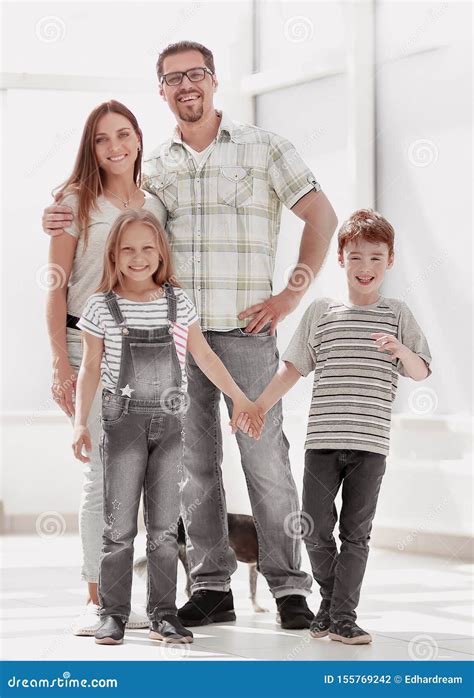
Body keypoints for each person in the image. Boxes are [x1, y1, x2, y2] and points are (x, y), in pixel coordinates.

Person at [42, 40, 339, 629]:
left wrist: (291, 294)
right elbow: (103, 213)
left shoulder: (264, 148)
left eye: (196, 75)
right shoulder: (155, 172)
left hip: (247, 337)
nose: (186, 86)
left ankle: (287, 588)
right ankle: (209, 585)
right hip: (175, 346)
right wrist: (52, 213)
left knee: (266, 463)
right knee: (193, 469)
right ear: (162, 90)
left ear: (214, 80)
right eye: (173, 79)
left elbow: (323, 218)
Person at [72, 208, 263, 645]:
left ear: (161, 253)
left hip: (170, 427)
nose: (138, 258)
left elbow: (206, 357)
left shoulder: (178, 302)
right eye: (128, 250)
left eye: (147, 248)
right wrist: (78, 424)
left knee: (162, 528)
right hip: (121, 425)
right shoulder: (101, 306)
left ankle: (163, 613)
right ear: (114, 256)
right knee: (119, 528)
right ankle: (113, 613)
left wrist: (240, 398)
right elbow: (90, 368)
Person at [241, 209, 432, 644]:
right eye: (357, 257)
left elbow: (421, 371)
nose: (366, 268)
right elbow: (292, 369)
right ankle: (331, 602)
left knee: (356, 535)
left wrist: (401, 350)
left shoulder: (397, 314)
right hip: (323, 443)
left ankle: (341, 616)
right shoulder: (321, 312)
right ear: (341, 259)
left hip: (370, 446)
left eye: (376, 258)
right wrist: (258, 406)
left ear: (390, 261)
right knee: (312, 525)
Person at [46, 100, 167, 635]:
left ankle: (124, 595)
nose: (114, 146)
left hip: (144, 351)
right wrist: (58, 363)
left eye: (123, 134)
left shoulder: (156, 203)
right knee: (100, 476)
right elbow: (55, 286)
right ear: (90, 148)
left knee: (138, 477)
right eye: (101, 139)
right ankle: (96, 597)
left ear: (139, 138)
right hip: (83, 347)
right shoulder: (74, 202)